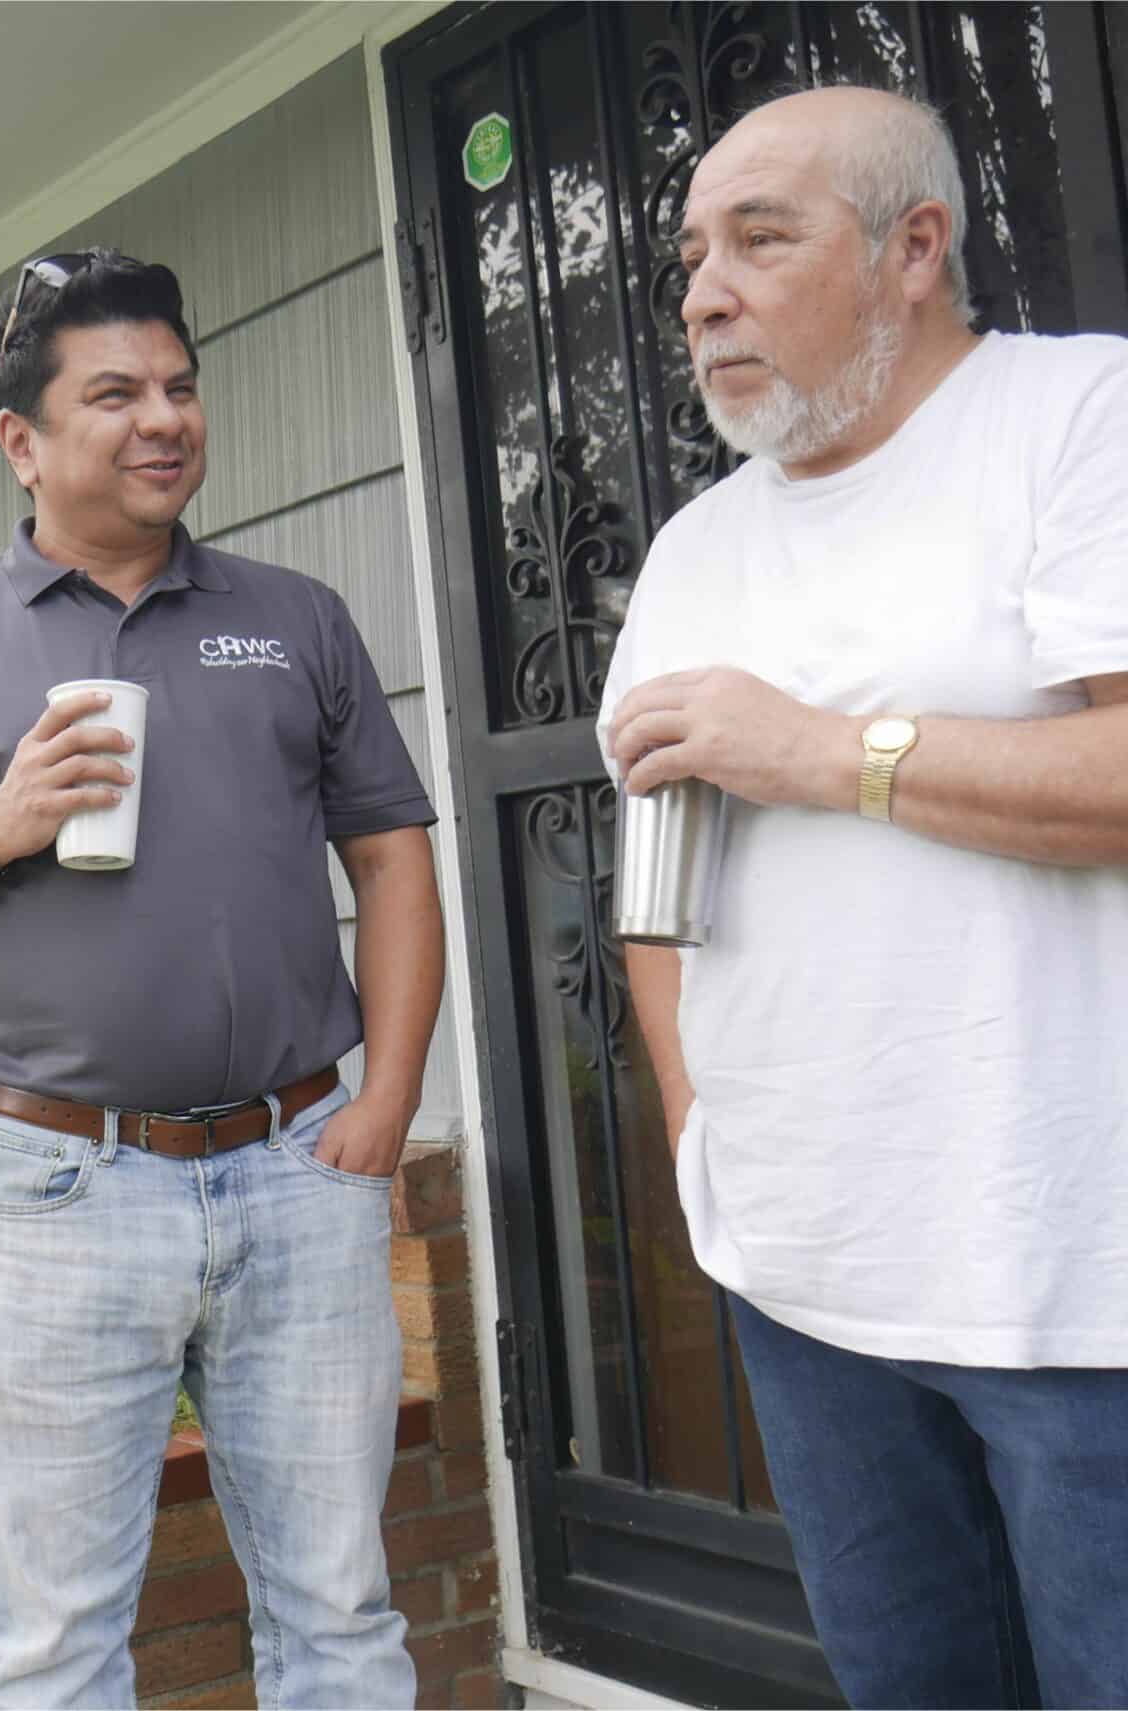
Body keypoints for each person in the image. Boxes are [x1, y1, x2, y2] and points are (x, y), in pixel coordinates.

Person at [0, 248, 443, 1709]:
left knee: (340, 1613)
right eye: (116, 394)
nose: (165, 418)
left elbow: (393, 857)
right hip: (60, 1187)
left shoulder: (296, 615)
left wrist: (387, 1101)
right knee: (58, 1642)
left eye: (180, 386)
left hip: (298, 1165)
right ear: (20, 441)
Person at [598, 86, 1128, 1708]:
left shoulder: (1078, 415)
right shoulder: (694, 548)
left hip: (1078, 1288)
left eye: (761, 239)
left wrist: (831, 753)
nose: (705, 293)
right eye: (694, 256)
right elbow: (654, 886)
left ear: (915, 249)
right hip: (804, 1282)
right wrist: (697, 1131)